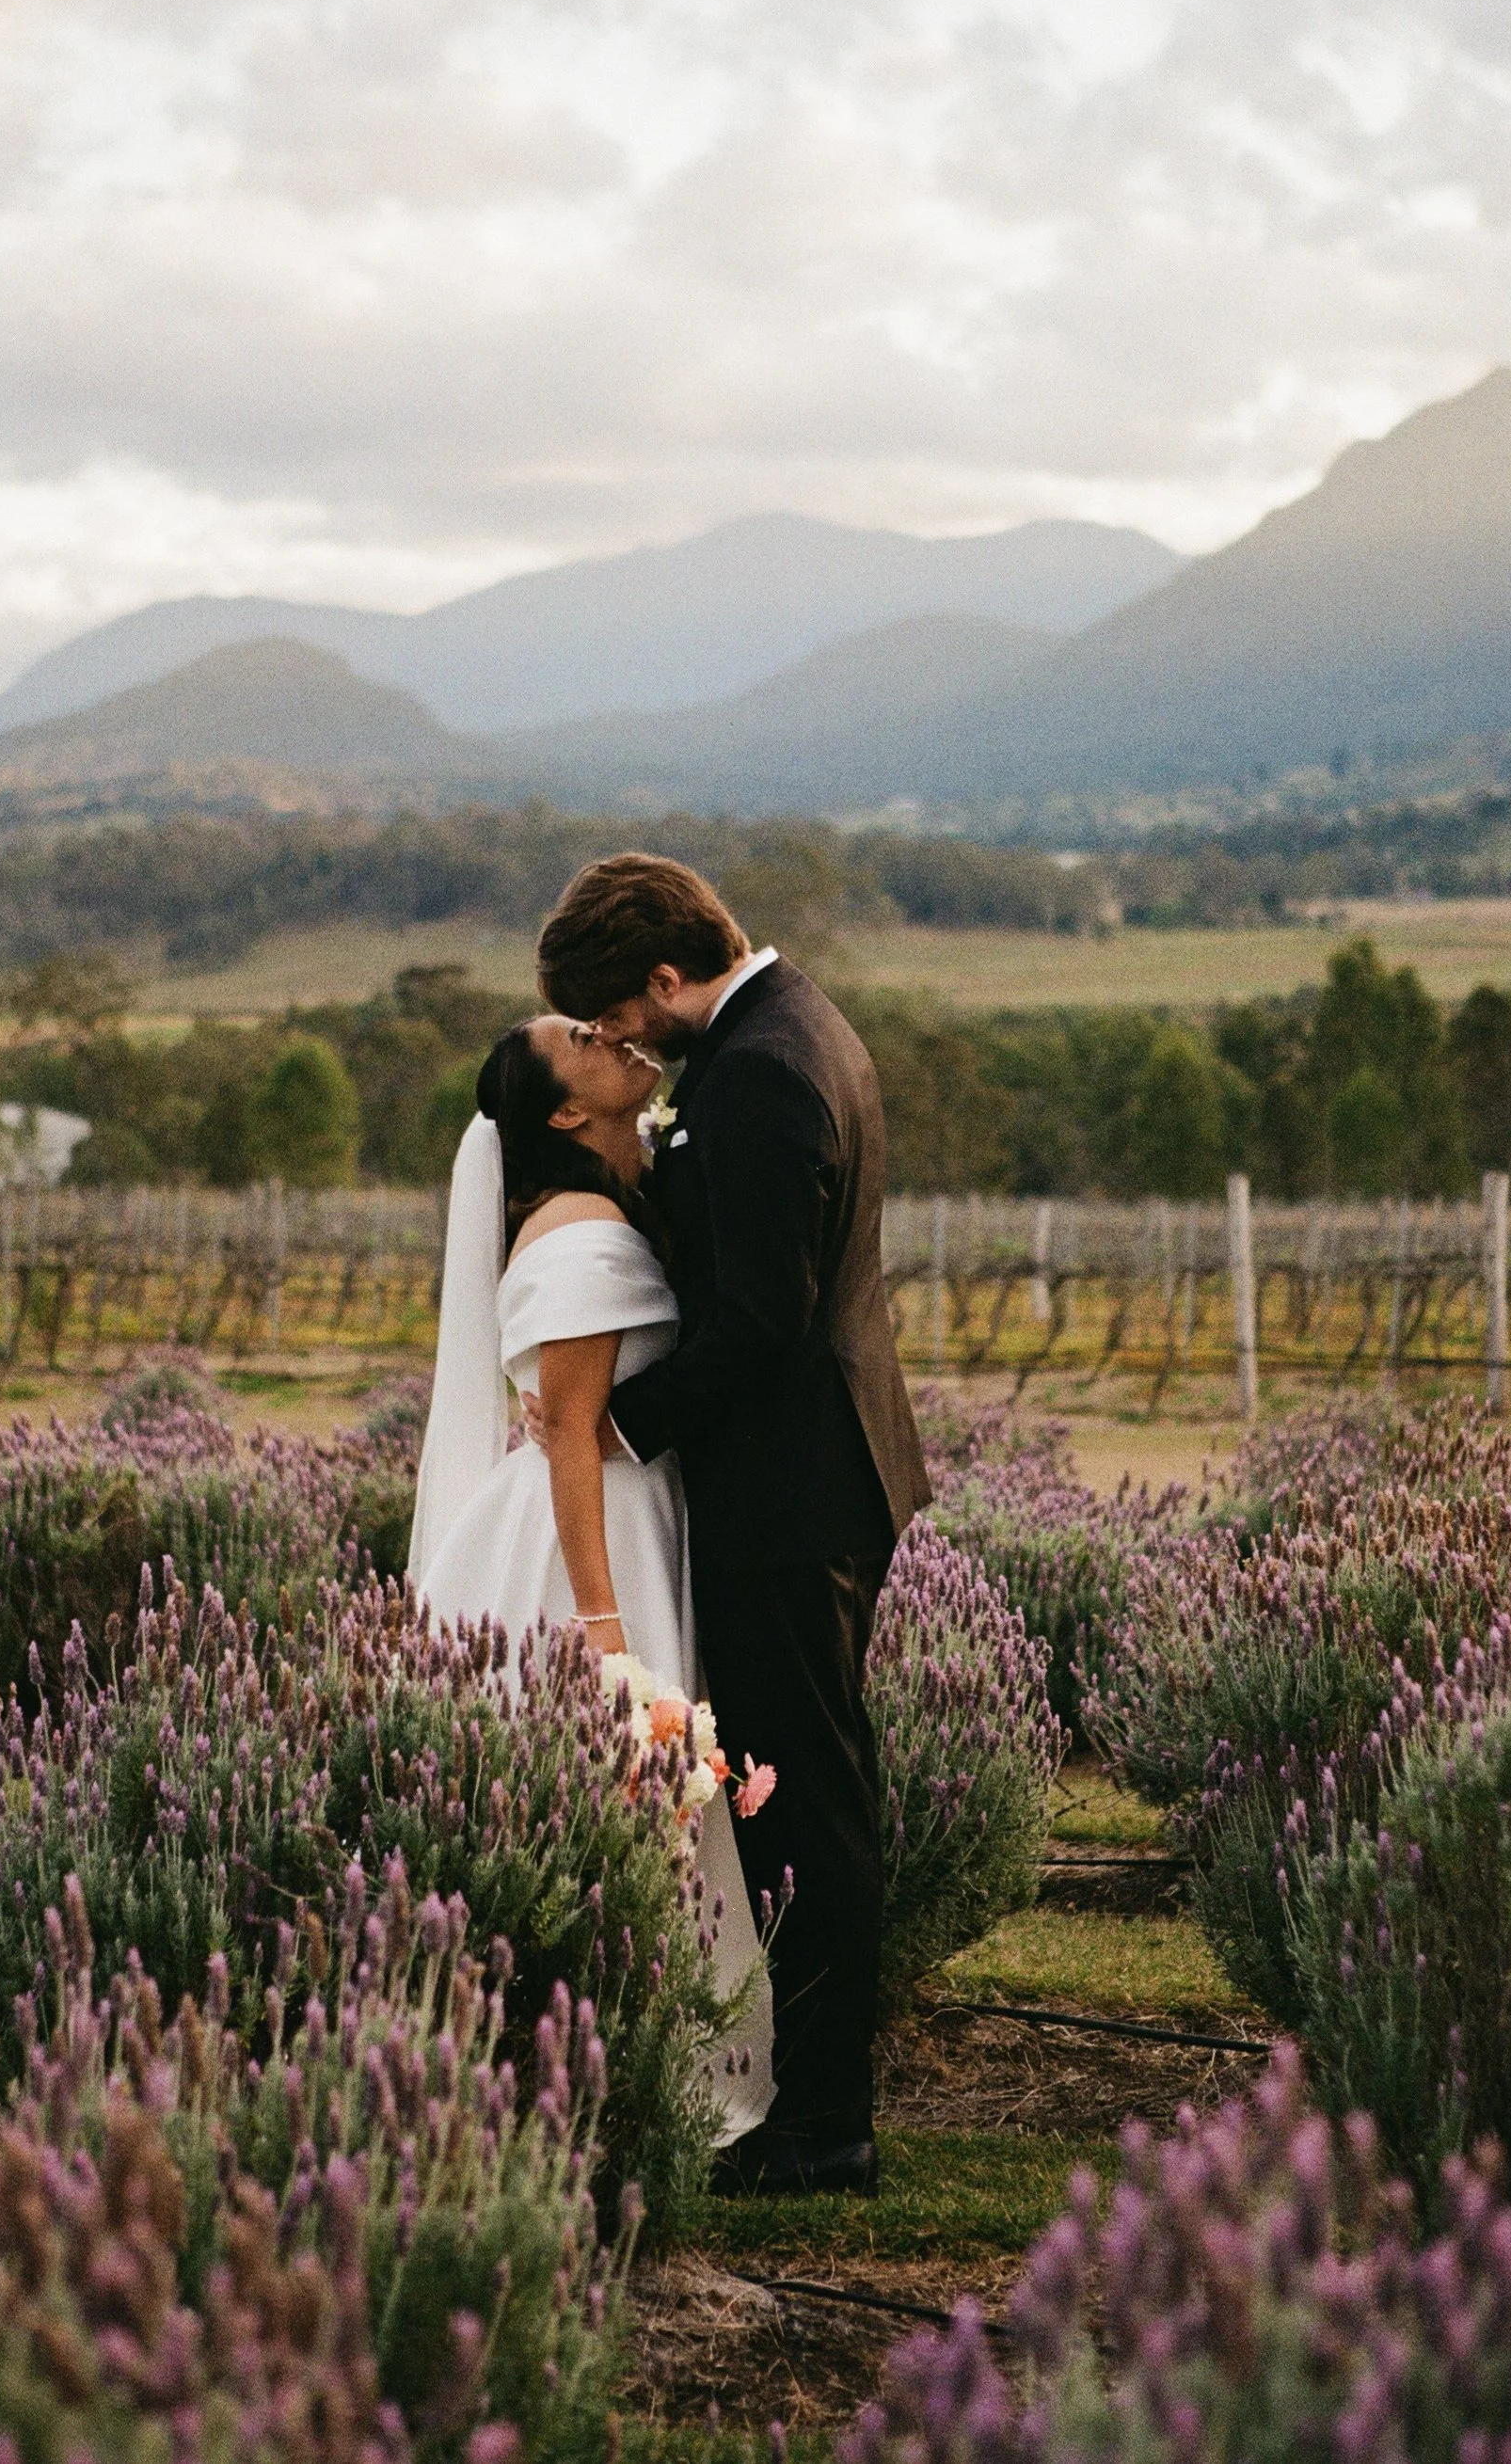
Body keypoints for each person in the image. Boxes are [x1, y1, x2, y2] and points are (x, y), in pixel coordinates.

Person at [533, 852, 930, 2198]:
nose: (616, 1046)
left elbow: (762, 1318)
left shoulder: (760, 1065)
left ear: (660, 975)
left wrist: (610, 1430)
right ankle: (814, 2099)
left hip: (793, 1490)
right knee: (807, 1792)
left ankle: (825, 2122)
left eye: (611, 1017)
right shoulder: (785, 1026)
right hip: (809, 1479)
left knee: (806, 1808)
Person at [408, 1009, 773, 2146]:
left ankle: (614, 2051)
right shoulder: (572, 1230)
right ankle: (580, 2063)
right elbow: (569, 1435)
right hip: (586, 1547)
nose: (609, 1032)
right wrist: (605, 1635)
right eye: (577, 1037)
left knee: (627, 1821)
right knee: (602, 1805)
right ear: (563, 1108)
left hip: (629, 1516)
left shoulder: (612, 1203)